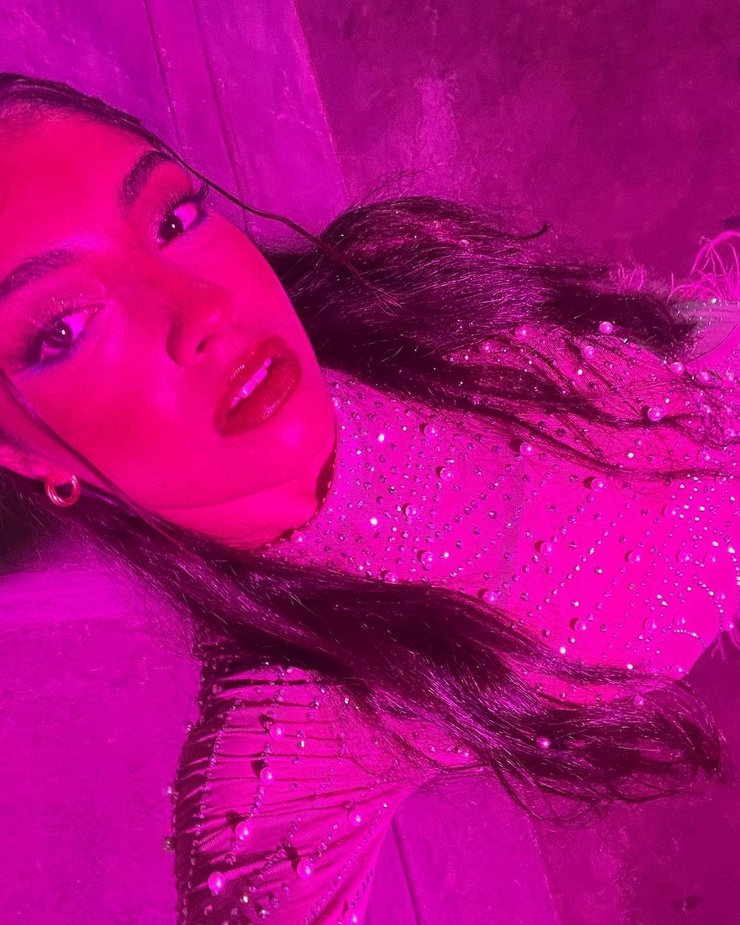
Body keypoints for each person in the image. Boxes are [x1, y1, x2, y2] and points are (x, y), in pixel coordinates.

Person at [0, 73, 736, 924]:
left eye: (171, 219)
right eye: (62, 329)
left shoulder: (396, 278)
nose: (204, 308)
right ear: (21, 453)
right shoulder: (285, 750)